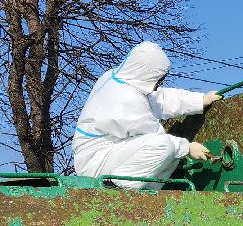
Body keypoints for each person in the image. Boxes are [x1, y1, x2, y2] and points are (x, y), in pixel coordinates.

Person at [72, 41, 221, 189]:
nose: (159, 82)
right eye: (159, 78)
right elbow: (158, 140)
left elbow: (158, 99)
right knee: (165, 148)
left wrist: (199, 100)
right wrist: (187, 147)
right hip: (96, 162)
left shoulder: (116, 78)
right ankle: (116, 191)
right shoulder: (126, 100)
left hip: (101, 152)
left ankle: (143, 193)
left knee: (171, 155)